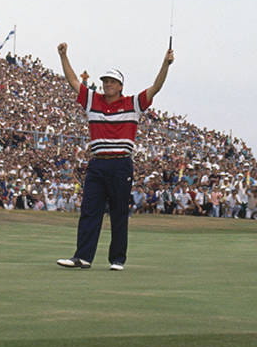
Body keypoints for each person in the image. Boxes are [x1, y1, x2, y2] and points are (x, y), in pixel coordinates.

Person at [55, 42, 173, 271]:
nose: (107, 85)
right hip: (98, 163)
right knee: (90, 211)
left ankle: (117, 259)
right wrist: (63, 56)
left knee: (119, 213)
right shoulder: (93, 101)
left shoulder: (133, 104)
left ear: (120, 86)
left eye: (111, 82)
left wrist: (165, 64)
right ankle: (83, 256)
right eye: (105, 82)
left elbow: (155, 87)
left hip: (121, 164)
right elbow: (72, 81)